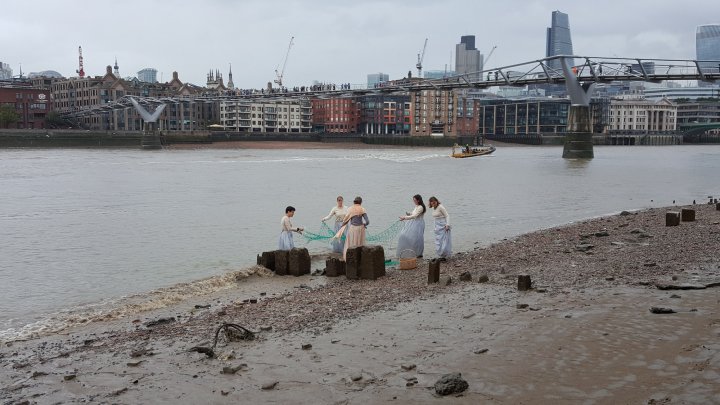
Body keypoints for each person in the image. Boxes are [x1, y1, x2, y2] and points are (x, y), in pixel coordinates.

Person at [335, 196, 369, 261]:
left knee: (350, 243)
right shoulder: (362, 209)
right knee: (360, 243)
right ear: (361, 202)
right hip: (361, 229)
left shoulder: (350, 209)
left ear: (354, 202)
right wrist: (364, 224)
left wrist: (341, 228)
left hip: (353, 228)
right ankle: (360, 258)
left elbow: (345, 220)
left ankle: (350, 258)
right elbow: (367, 221)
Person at [397, 194, 426, 258]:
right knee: (404, 235)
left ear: (418, 200)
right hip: (413, 222)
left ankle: (417, 253)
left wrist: (405, 217)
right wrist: (409, 213)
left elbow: (415, 216)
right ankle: (410, 252)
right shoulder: (417, 206)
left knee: (416, 238)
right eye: (413, 200)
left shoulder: (421, 207)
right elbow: (414, 214)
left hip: (418, 224)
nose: (414, 201)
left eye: (415, 200)